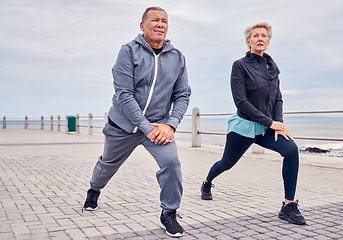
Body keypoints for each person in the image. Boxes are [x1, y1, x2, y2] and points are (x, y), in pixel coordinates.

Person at [83, 6, 191, 237]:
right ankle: (94, 189)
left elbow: (183, 94)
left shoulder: (177, 57)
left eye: (164, 21)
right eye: (154, 20)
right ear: (142, 26)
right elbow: (124, 94)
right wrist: (146, 127)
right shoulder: (128, 51)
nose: (160, 24)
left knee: (171, 163)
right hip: (123, 126)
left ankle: (169, 212)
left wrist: (171, 124)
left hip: (159, 126)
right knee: (107, 165)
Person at [200, 22, 306, 225]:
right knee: (226, 164)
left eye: (264, 35)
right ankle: (207, 182)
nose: (260, 38)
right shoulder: (240, 65)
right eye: (255, 35)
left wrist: (279, 124)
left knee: (291, 149)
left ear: (268, 40)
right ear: (248, 41)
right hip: (244, 126)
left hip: (267, 128)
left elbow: (277, 99)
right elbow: (241, 101)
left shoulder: (273, 68)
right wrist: (270, 122)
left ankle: (288, 205)